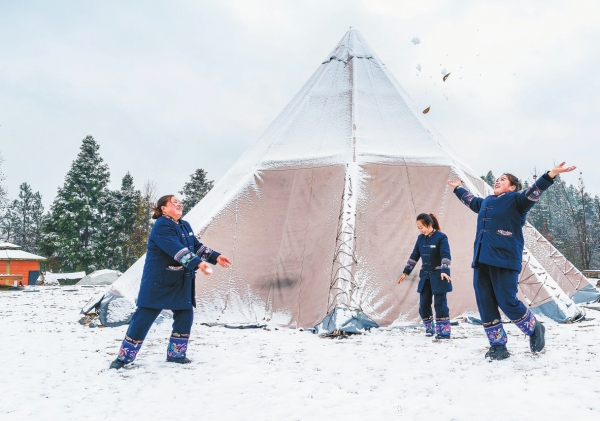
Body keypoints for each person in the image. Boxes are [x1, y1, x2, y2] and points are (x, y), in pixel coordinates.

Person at [448, 162, 576, 360]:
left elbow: (535, 190)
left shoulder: (517, 201)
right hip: (481, 260)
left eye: (503, 179)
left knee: (507, 301)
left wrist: (550, 175)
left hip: (504, 258)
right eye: (497, 179)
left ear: (513, 187)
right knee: (486, 303)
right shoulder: (485, 203)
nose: (498, 181)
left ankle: (534, 328)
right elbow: (470, 200)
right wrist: (457, 188)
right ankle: (498, 346)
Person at [110, 195, 231, 370]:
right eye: (174, 202)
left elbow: (195, 246)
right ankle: (124, 358)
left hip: (181, 280)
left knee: (185, 315)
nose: (179, 204)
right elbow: (175, 248)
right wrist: (198, 263)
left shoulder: (185, 225)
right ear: (163, 209)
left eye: (179, 202)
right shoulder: (161, 225)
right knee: (144, 317)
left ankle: (176, 354)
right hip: (158, 281)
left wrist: (216, 256)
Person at [397, 213, 452, 339]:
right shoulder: (420, 239)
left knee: (440, 304)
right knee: (424, 303)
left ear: (429, 224)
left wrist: (445, 270)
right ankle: (429, 328)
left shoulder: (441, 237)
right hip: (426, 276)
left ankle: (443, 331)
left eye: (422, 227)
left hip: (440, 276)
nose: (421, 230)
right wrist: (406, 272)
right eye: (419, 228)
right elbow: (414, 255)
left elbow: (446, 255)